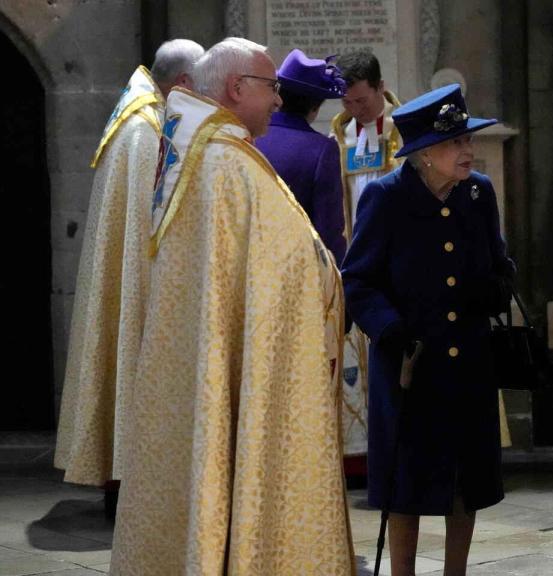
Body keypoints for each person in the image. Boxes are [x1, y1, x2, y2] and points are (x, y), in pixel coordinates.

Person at [109, 37, 355, 575]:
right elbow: (282, 265)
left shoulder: (203, 153)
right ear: (237, 88)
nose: (276, 99)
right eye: (270, 87)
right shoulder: (225, 164)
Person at [342, 83, 514, 576]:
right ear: (422, 154)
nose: (467, 150)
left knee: (467, 478)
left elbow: (498, 261)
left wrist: (498, 285)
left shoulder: (479, 193)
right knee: (407, 485)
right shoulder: (386, 197)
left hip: (469, 361)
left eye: (467, 141)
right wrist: (390, 331)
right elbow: (359, 280)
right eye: (455, 143)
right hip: (411, 364)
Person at [54, 39, 203, 497]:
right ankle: (131, 485)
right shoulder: (143, 130)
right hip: (137, 282)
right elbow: (147, 227)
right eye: (200, 85)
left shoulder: (140, 114)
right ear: (182, 83)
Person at [330, 51, 404, 483]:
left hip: (395, 262)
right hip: (357, 261)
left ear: (379, 88)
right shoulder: (340, 135)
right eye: (347, 103)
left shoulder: (402, 128)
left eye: (361, 100)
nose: (354, 109)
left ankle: (398, 452)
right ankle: (362, 458)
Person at [255, 48, 347, 264]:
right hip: (297, 269)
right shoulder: (322, 149)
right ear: (315, 108)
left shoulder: (249, 136)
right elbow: (328, 233)